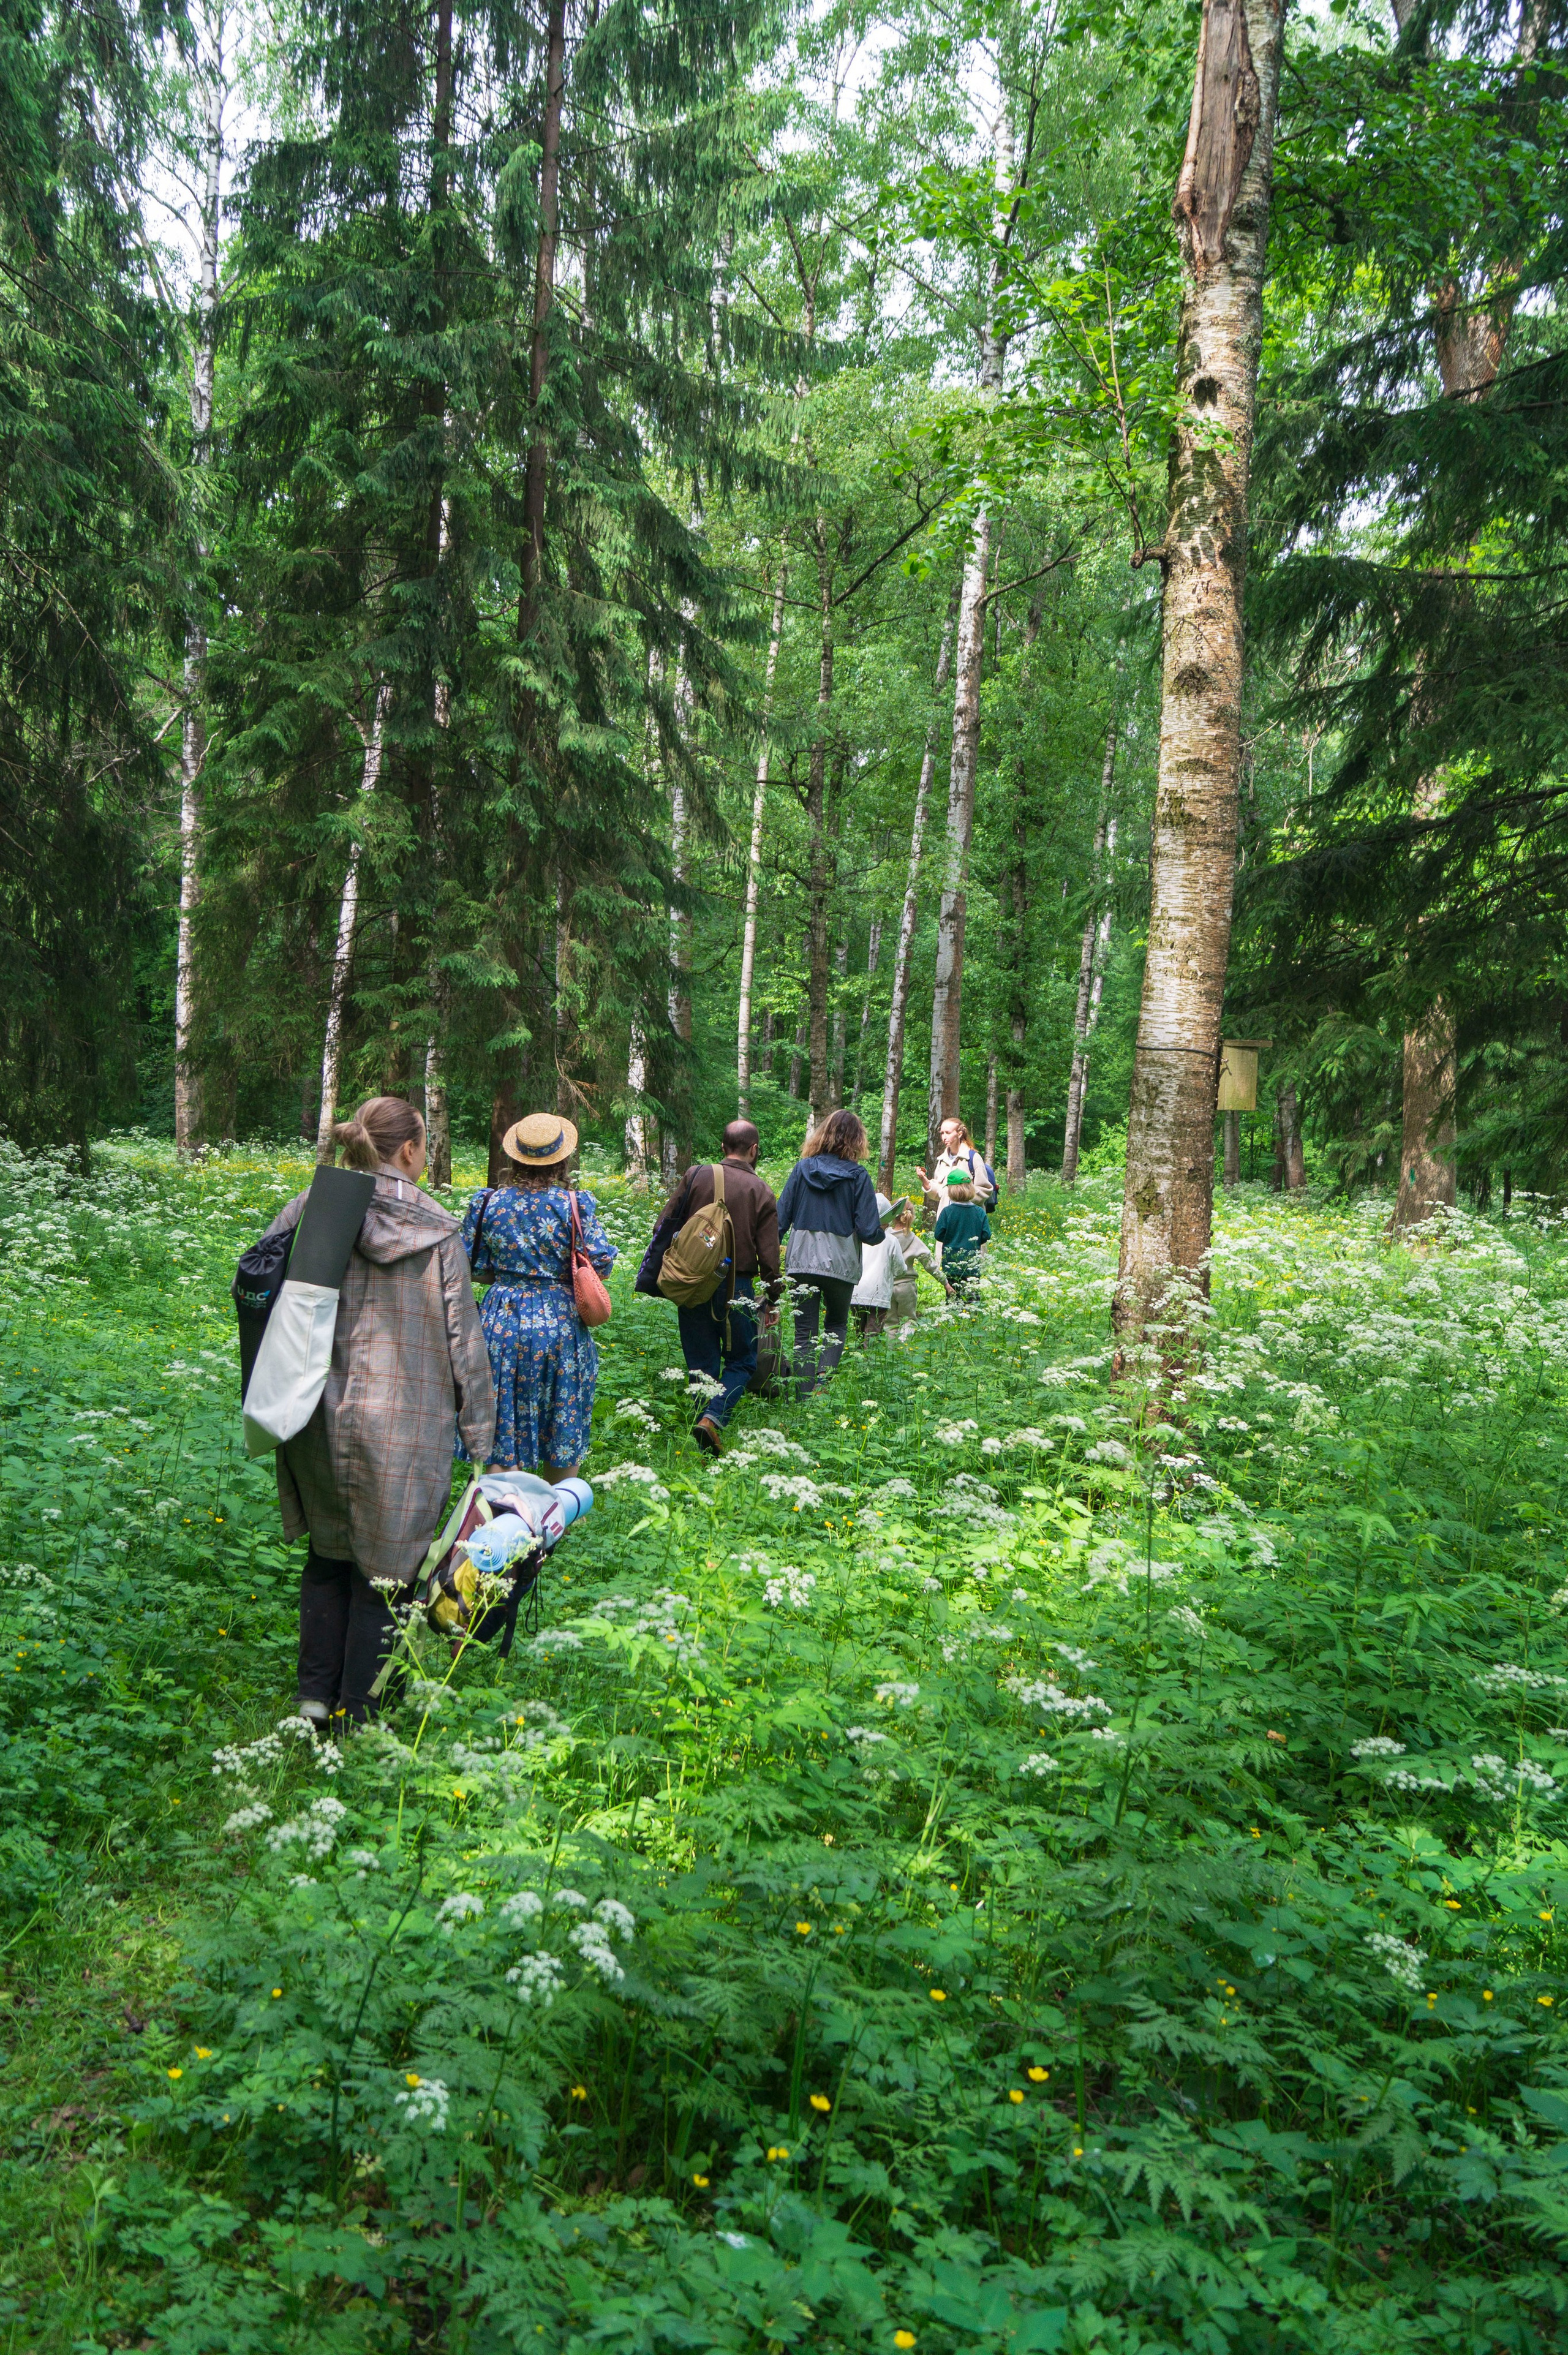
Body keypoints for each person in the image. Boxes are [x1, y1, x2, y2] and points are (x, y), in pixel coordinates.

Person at [260, 1095, 496, 1728]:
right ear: (411, 1150)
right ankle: (360, 1712)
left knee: (329, 1553)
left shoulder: (312, 1207)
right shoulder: (438, 1230)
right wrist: (481, 1437)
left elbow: (260, 1289)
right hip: (406, 1423)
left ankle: (315, 1696)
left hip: (315, 1412)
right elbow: (464, 1342)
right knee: (388, 1571)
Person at [461, 1112, 617, 1480]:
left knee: (502, 1421)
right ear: (562, 1159)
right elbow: (602, 1265)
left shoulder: (488, 1203)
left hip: (501, 1321)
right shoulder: (574, 1204)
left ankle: (504, 1509)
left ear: (515, 1157)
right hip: (560, 1324)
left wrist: (511, 1273)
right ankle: (555, 1509)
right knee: (563, 1416)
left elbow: (469, 1264)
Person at [638, 1120, 781, 1457]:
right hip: (738, 1286)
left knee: (701, 1363)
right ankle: (712, 1419)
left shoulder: (696, 1175)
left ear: (722, 1147)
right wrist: (773, 1298)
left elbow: (664, 1225)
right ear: (754, 1150)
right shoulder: (761, 1190)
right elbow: (769, 1255)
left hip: (693, 1282)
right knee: (743, 1361)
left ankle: (700, 1431)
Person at [777, 1108, 883, 1396]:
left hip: (801, 1261)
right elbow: (869, 1232)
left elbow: (779, 1220)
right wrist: (882, 1230)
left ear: (822, 1135)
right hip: (841, 1263)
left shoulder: (802, 1169)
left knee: (804, 1332)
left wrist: (766, 1262)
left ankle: (802, 1396)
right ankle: (822, 1386)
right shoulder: (858, 1176)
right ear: (857, 1140)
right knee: (836, 1324)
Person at [851, 1193, 912, 1341]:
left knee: (859, 1333)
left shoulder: (857, 1236)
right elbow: (899, 1269)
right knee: (873, 1334)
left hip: (857, 1292)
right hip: (879, 1295)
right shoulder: (891, 1241)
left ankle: (859, 1353)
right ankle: (869, 1354)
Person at [884, 1194, 952, 1326]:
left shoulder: (884, 1237)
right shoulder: (914, 1240)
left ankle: (891, 1340)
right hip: (907, 1287)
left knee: (889, 1323)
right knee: (908, 1321)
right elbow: (930, 1265)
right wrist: (945, 1282)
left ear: (893, 1215)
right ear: (912, 1216)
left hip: (887, 1286)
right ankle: (906, 1340)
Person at [917, 1115, 996, 1213]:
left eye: (948, 1133)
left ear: (959, 1134)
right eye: (942, 1133)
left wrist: (961, 1199)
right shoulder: (942, 1160)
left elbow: (985, 1190)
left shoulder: (973, 1157)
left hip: (969, 1217)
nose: (944, 1137)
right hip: (947, 1217)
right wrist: (925, 1182)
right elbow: (939, 1193)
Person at [933, 1170, 992, 1294]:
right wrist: (974, 1242)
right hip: (973, 1264)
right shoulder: (980, 1212)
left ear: (951, 1190)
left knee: (953, 1296)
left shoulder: (947, 1212)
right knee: (972, 1297)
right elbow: (986, 1235)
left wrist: (951, 1239)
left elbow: (938, 1235)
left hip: (951, 1263)